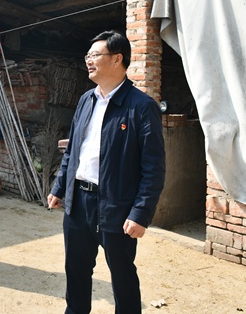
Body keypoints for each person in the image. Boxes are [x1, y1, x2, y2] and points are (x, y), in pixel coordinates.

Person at [48, 31, 166, 314]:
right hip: (78, 203)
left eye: (95, 55)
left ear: (117, 59)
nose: (88, 61)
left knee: (122, 274)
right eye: (87, 56)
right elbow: (73, 151)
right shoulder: (86, 100)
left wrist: (140, 213)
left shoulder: (141, 107)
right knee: (76, 270)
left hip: (116, 205)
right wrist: (60, 187)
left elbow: (154, 168)